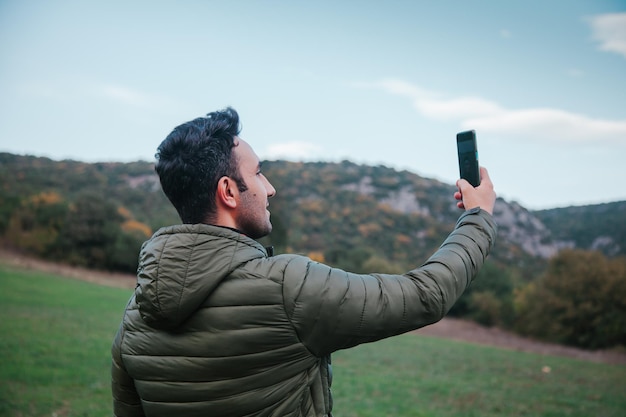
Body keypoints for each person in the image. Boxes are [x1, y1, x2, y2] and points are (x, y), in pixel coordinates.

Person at [111, 107, 497, 417]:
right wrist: (477, 218)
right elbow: (424, 296)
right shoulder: (285, 287)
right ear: (228, 191)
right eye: (259, 173)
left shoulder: (135, 316)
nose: (270, 188)